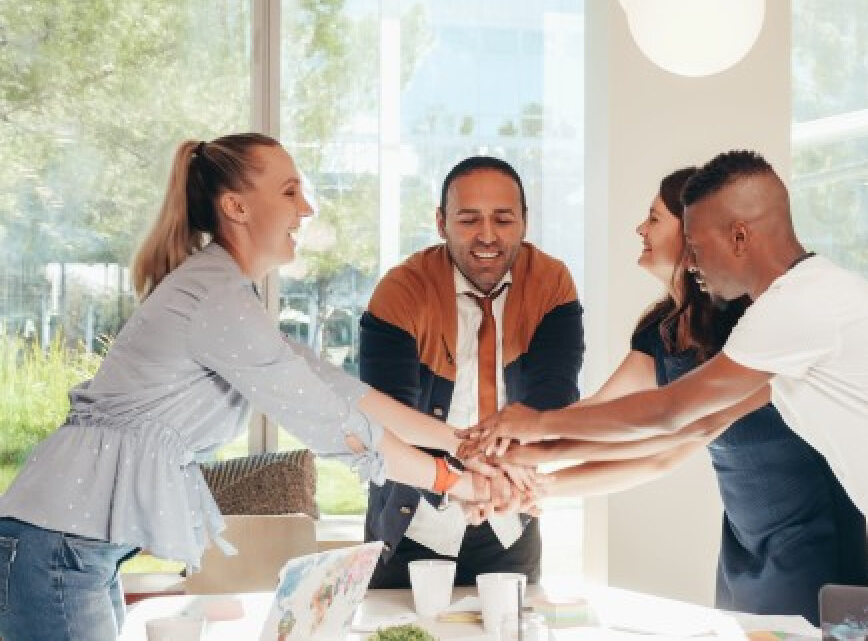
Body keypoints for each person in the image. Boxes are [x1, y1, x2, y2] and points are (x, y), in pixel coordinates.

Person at [468, 150, 868, 640]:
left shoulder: (800, 308)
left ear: (740, 236)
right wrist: (532, 459)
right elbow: (684, 427)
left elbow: (675, 409)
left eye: (699, 244)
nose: (695, 262)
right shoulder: (786, 317)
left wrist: (537, 420)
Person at [0, 133, 517, 641]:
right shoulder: (216, 297)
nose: (307, 208)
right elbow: (335, 423)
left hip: (73, 544)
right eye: (290, 191)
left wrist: (461, 445)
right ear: (236, 207)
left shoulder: (225, 293)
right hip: (59, 546)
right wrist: (462, 484)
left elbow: (342, 391)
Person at [504, 167, 868, 619]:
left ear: (693, 230)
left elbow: (675, 436)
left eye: (654, 218)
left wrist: (527, 453)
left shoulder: (754, 323)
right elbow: (607, 417)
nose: (640, 229)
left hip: (809, 534)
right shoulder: (661, 332)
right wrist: (525, 467)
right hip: (743, 538)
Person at [358, 155, 584, 588]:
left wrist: (501, 477)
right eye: (469, 220)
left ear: (524, 222)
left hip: (508, 516)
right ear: (442, 223)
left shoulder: (551, 283)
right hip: (414, 518)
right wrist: (467, 477)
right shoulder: (401, 290)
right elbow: (389, 415)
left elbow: (553, 397)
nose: (487, 236)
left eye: (502, 219)